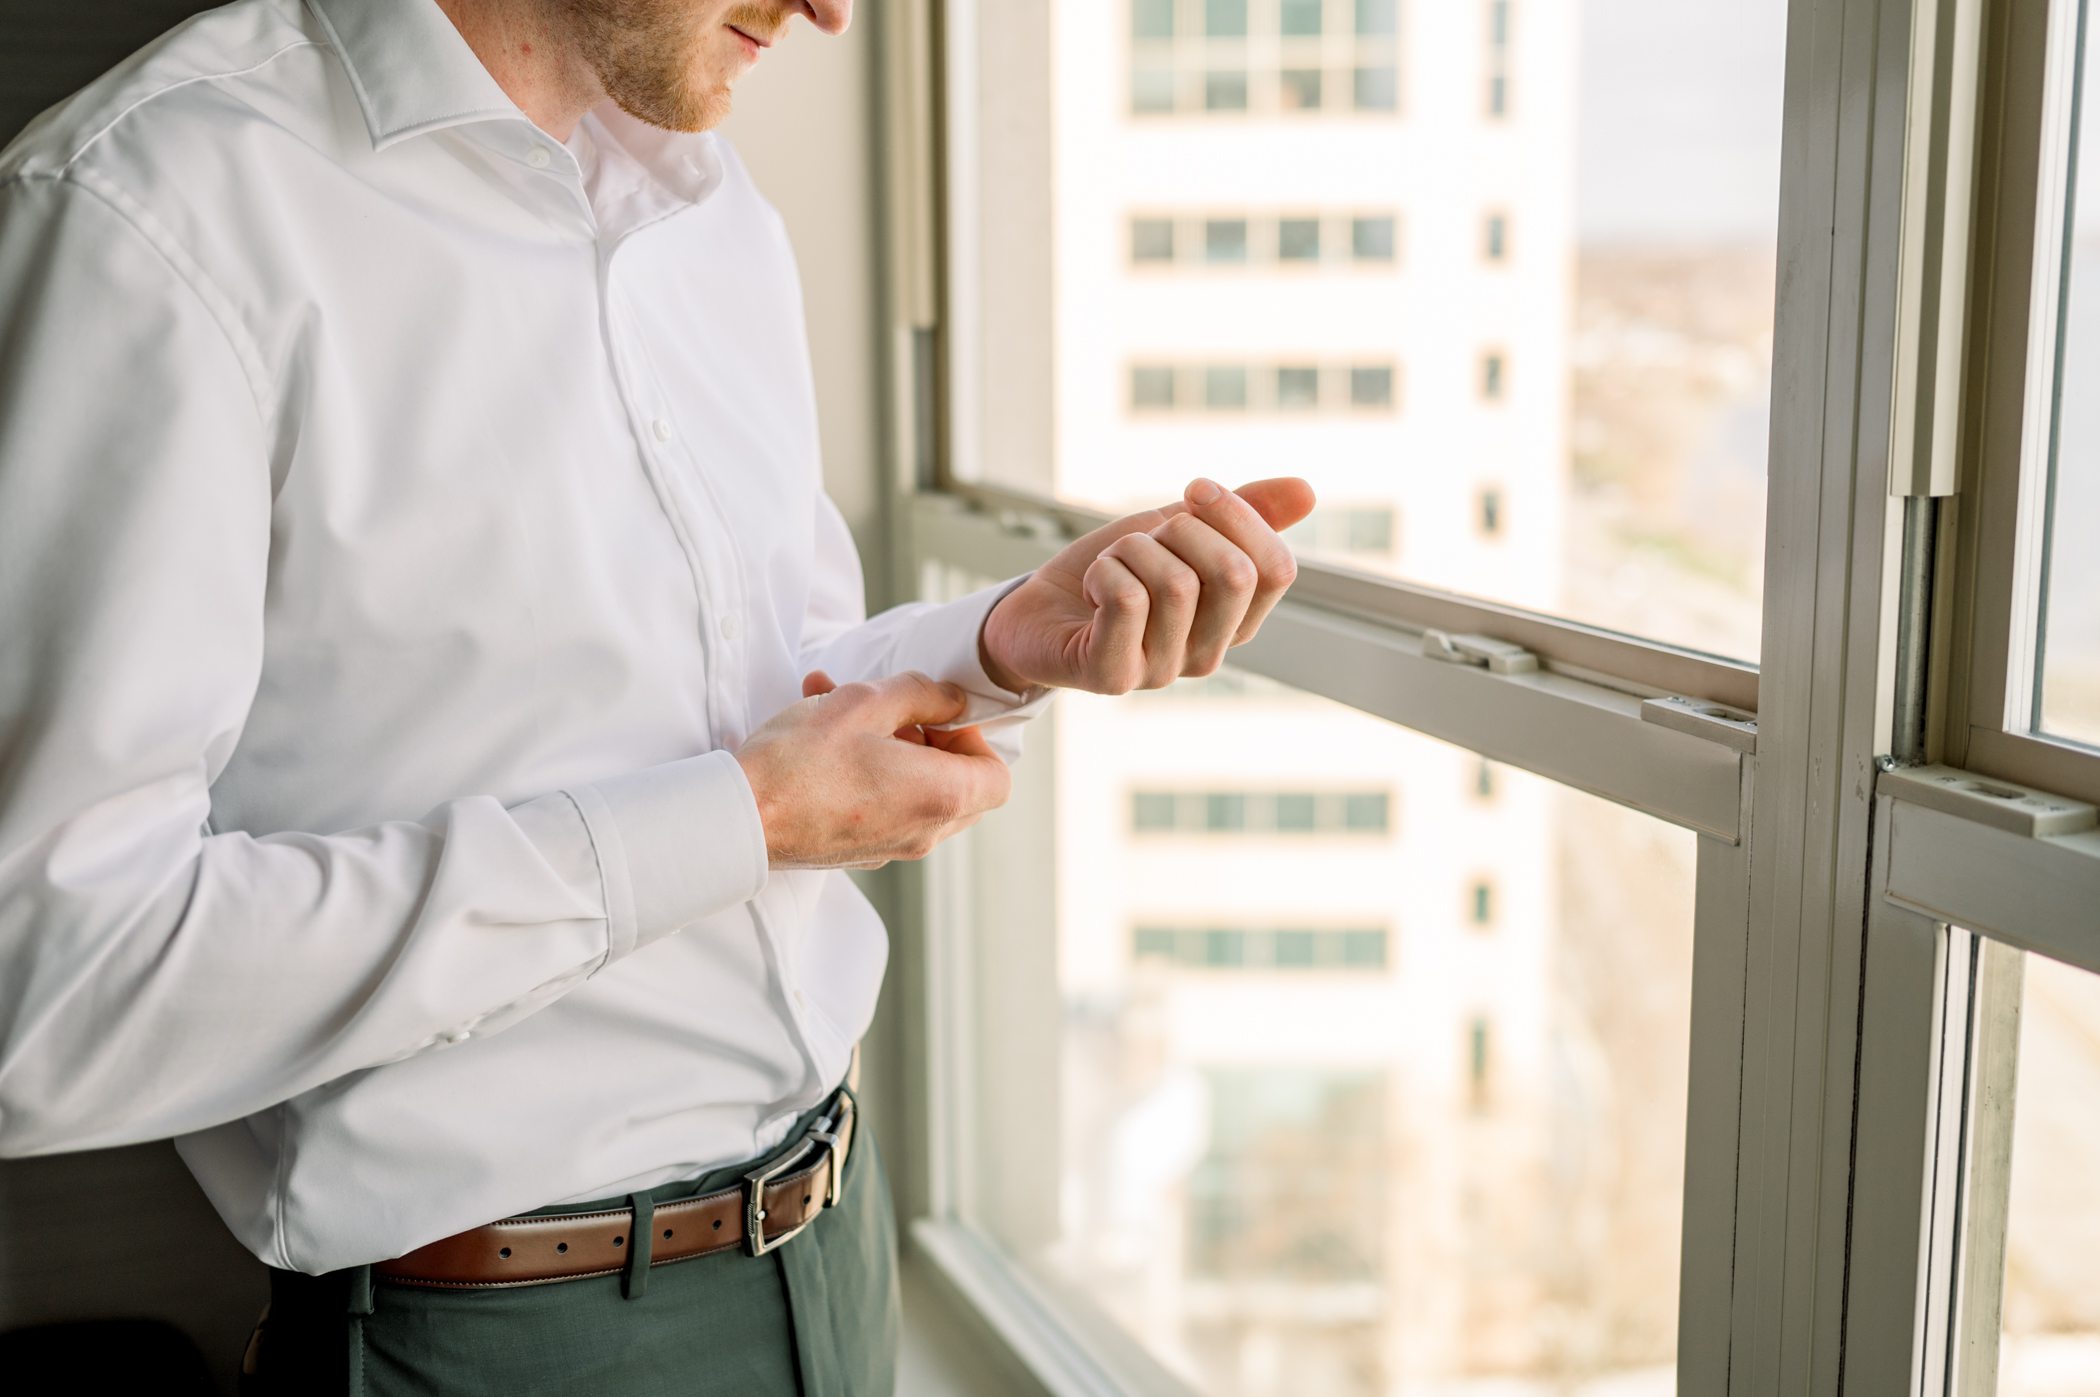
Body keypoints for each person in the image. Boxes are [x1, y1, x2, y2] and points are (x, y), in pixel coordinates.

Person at [0, 0, 1314, 1390]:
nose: (831, 10)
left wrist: (989, 646)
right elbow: (48, 987)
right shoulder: (152, 211)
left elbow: (756, 703)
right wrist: (741, 818)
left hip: (831, 1245)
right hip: (505, 1337)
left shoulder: (710, 208)